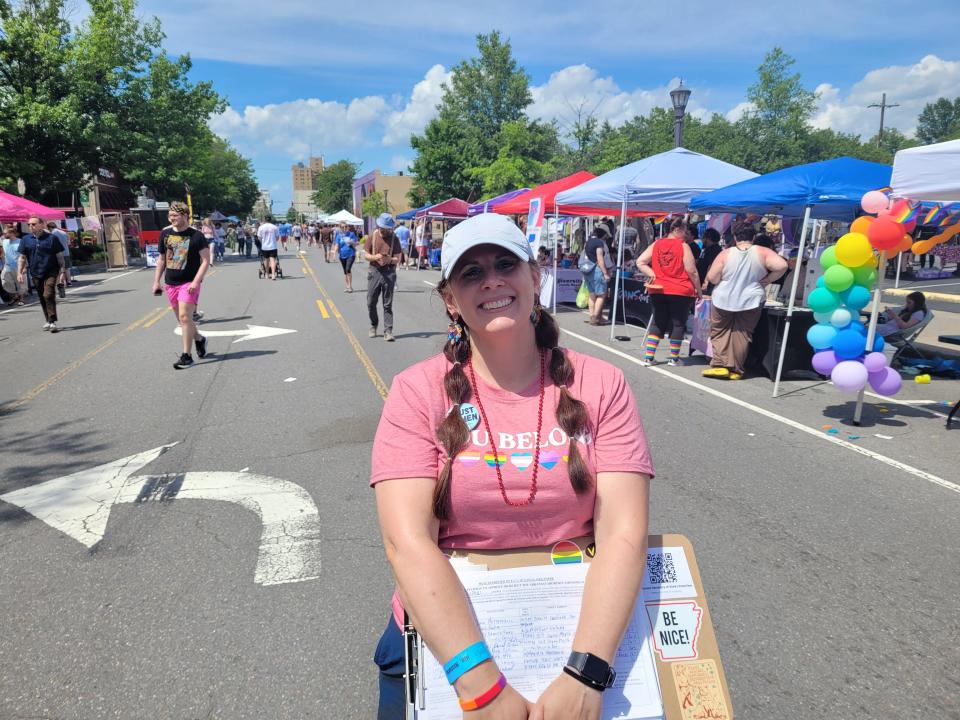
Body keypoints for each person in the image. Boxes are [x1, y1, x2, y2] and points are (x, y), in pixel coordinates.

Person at [370, 212, 653, 719]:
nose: (493, 280)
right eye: (471, 273)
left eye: (506, 264)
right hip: (450, 644)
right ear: (450, 300)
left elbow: (625, 535)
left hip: (584, 637)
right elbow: (406, 542)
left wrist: (587, 674)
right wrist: (480, 686)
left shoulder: (602, 384)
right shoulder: (416, 391)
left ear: (535, 277)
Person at [702, 220, 788, 380]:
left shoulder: (726, 253)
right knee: (743, 334)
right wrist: (768, 279)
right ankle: (736, 368)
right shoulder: (763, 252)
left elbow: (712, 278)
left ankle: (721, 364)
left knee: (720, 331)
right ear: (753, 236)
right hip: (751, 299)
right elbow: (782, 266)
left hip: (724, 298)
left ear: (735, 237)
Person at [636, 217, 701, 366]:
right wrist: (698, 290)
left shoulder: (657, 243)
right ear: (677, 230)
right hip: (680, 289)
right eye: (685, 231)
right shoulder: (683, 246)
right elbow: (692, 271)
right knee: (678, 324)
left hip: (658, 289)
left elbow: (640, 261)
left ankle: (648, 357)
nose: (686, 234)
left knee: (658, 322)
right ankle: (673, 358)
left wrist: (652, 274)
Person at [152, 202, 210, 369]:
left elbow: (205, 261)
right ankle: (199, 339)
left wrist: (196, 281)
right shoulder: (165, 233)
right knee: (183, 321)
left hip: (189, 283)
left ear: (185, 215)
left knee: (185, 318)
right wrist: (156, 281)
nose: (172, 218)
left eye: (175, 215)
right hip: (171, 283)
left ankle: (187, 356)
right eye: (170, 216)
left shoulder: (197, 235)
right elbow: (162, 259)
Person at [17, 216, 66, 332]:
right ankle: (48, 320)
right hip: (35, 272)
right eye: (29, 224)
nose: (31, 226)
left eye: (33, 224)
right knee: (42, 297)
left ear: (42, 224)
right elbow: (22, 257)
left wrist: (62, 271)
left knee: (48, 294)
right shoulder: (25, 239)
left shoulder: (52, 238)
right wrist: (19, 272)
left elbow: (59, 256)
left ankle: (53, 321)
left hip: (51, 271)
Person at [365, 213, 402, 341]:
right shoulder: (373, 236)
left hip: (389, 272)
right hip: (374, 271)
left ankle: (388, 331)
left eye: (388, 228)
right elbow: (366, 255)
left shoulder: (394, 239)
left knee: (387, 304)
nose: (385, 230)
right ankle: (373, 325)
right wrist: (376, 257)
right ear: (379, 225)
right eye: (383, 227)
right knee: (371, 302)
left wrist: (389, 260)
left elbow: (398, 259)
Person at [580, 222, 615, 326]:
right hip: (596, 270)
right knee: (601, 295)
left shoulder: (588, 241)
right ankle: (595, 317)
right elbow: (600, 258)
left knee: (592, 294)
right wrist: (605, 273)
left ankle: (591, 316)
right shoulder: (599, 243)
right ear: (603, 234)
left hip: (587, 271)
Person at [2, 224, 25, 305]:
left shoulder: (20, 241)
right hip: (7, 265)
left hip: (18, 265)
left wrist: (24, 267)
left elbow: (23, 255)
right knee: (4, 281)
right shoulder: (4, 241)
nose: (4, 235)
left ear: (12, 233)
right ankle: (15, 295)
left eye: (6, 233)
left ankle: (21, 298)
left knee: (20, 283)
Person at [696, 228, 723, 295]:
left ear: (709, 238)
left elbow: (711, 266)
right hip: (701, 280)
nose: (702, 239)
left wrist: (706, 282)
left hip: (708, 283)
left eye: (704, 237)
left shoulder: (715, 249)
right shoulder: (705, 247)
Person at [47, 222, 72, 290]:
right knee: (67, 268)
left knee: (60, 269)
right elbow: (68, 243)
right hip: (66, 252)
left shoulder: (52, 234)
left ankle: (63, 282)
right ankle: (69, 281)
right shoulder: (64, 233)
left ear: (49, 228)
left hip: (57, 253)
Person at [336, 222, 358, 292]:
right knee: (345, 272)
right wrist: (333, 253)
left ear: (348, 227)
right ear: (340, 228)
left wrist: (352, 242)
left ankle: (350, 286)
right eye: (342, 227)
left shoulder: (351, 234)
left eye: (346, 226)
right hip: (342, 255)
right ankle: (347, 286)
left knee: (348, 269)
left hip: (351, 254)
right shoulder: (339, 235)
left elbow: (356, 243)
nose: (344, 228)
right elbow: (337, 244)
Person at [256, 215, 280, 279]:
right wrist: (273, 241)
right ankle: (273, 274)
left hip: (265, 247)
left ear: (265, 220)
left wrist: (262, 242)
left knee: (266, 260)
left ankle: (266, 274)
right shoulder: (275, 227)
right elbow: (277, 238)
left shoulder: (261, 227)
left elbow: (259, 238)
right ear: (270, 220)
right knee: (273, 260)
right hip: (273, 246)